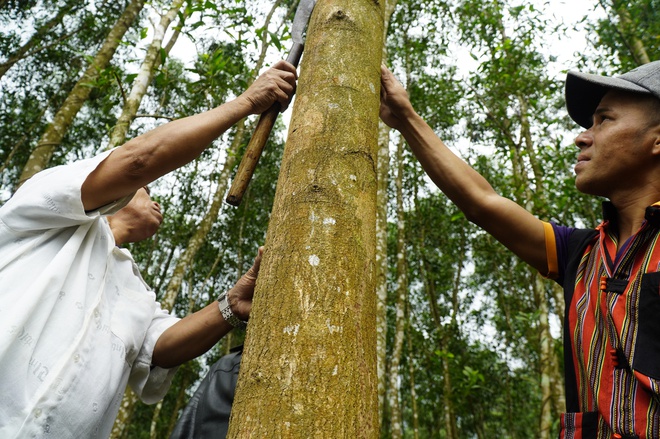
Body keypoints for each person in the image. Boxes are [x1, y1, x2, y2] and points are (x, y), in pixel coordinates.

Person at [0, 60, 297, 438]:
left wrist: (231, 307)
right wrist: (246, 102)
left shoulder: (136, 290)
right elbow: (137, 162)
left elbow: (159, 348)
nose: (155, 201)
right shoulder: (42, 211)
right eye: (147, 193)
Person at [380, 60, 660, 438]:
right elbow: (483, 202)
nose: (582, 137)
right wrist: (404, 117)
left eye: (604, 120)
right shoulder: (581, 255)